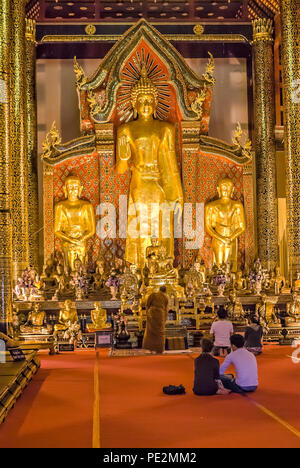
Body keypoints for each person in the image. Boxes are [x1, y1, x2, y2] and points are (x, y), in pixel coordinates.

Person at [142, 286, 169, 354]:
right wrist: (165, 318)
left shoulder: (153, 295)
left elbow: (147, 304)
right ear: (165, 291)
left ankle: (150, 348)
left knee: (150, 331)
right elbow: (166, 309)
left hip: (152, 313)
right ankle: (159, 349)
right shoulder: (166, 297)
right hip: (160, 314)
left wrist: (147, 313)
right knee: (160, 332)